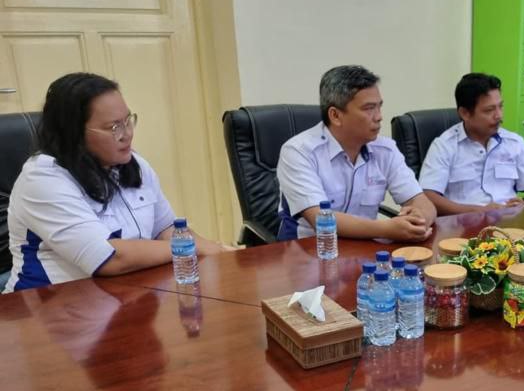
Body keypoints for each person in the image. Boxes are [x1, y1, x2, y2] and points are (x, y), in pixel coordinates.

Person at [3, 73, 231, 294]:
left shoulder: (133, 164)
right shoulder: (43, 179)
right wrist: (191, 248)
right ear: (73, 133)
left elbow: (165, 229)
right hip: (50, 308)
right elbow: (110, 258)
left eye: (128, 121)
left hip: (124, 298)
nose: (127, 134)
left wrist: (219, 251)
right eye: (114, 127)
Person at [277, 65, 436, 241]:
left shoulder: (385, 150)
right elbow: (321, 219)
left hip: (365, 247)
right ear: (335, 115)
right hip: (309, 249)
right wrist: (387, 229)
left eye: (379, 107)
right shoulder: (299, 152)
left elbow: (423, 202)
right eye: (369, 108)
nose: (379, 116)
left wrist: (419, 219)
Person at [419, 73, 524, 215]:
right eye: (489, 110)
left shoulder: (514, 143)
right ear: (465, 113)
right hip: (463, 224)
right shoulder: (445, 146)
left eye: (500, 106)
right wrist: (479, 211)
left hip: (509, 222)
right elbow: (428, 196)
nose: (499, 115)